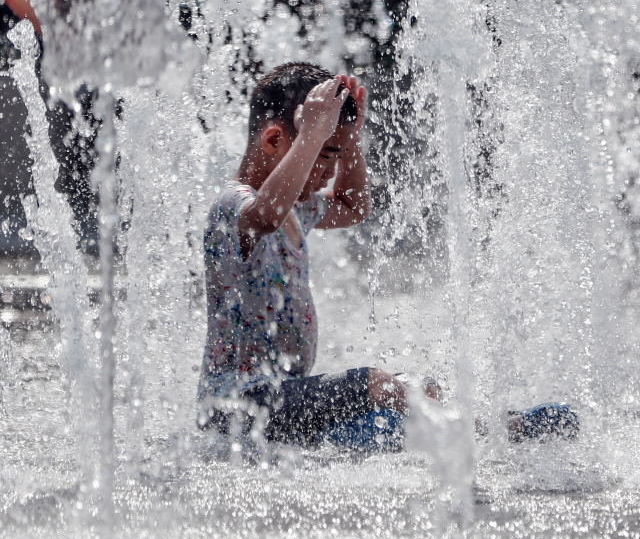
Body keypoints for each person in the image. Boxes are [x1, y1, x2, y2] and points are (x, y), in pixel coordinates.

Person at [197, 62, 579, 451]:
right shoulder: (233, 206)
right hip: (236, 406)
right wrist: (313, 133)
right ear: (275, 140)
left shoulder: (298, 208)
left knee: (418, 386)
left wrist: (350, 145)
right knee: (373, 383)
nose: (329, 171)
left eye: (335, 155)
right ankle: (484, 439)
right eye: (325, 154)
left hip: (285, 397)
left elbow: (354, 205)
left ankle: (480, 428)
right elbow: (265, 215)